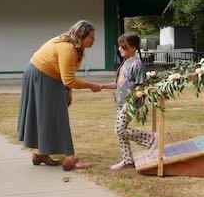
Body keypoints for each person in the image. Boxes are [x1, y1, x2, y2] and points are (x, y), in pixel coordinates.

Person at [17, 20, 102, 171]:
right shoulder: (67, 48)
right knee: (57, 115)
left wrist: (68, 91)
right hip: (41, 75)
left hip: (44, 75)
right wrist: (90, 86)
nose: (94, 40)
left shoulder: (75, 47)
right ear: (81, 36)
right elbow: (68, 79)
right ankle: (70, 157)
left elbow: (67, 73)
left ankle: (40, 153)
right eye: (91, 37)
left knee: (47, 115)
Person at [101, 32, 157, 170]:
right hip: (120, 103)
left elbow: (140, 86)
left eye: (123, 46)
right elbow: (119, 84)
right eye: (119, 47)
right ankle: (127, 160)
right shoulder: (125, 63)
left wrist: (131, 102)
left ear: (133, 47)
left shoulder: (137, 64)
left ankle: (151, 138)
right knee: (121, 133)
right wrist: (101, 86)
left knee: (120, 129)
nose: (120, 49)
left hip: (130, 104)